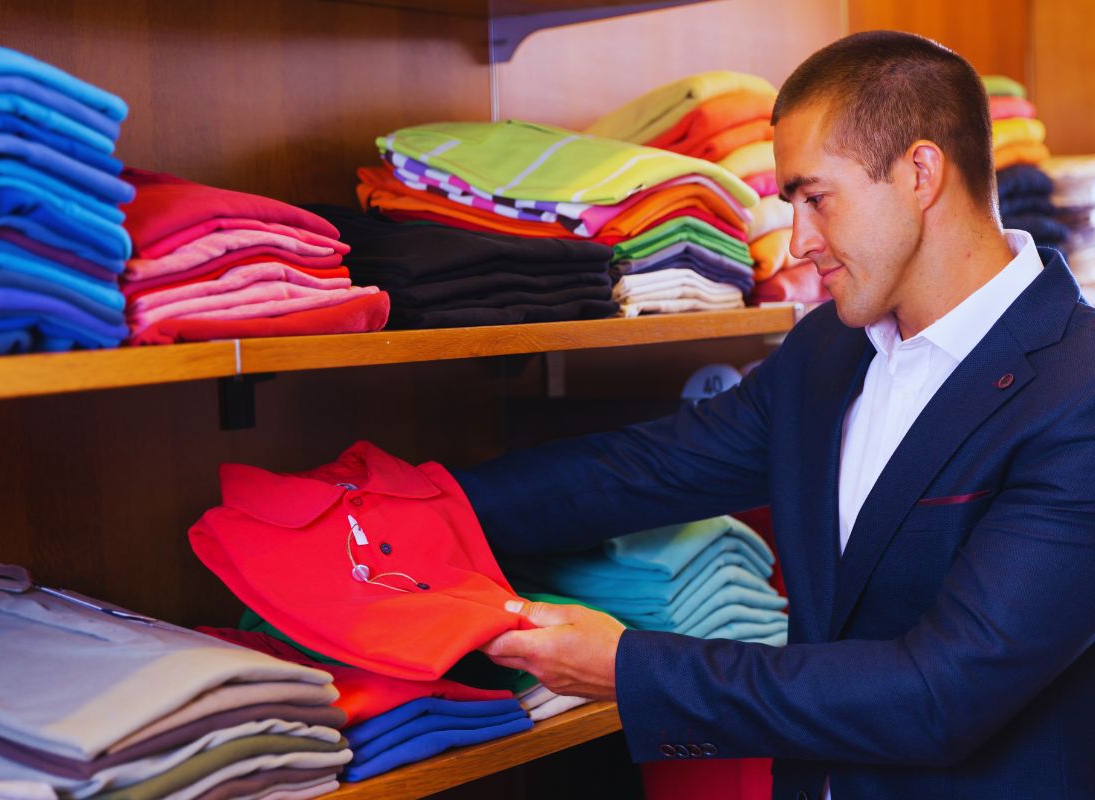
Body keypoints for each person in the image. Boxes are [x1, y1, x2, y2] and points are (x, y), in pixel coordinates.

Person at [454, 30, 1095, 800]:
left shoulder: (1076, 387)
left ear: (921, 171)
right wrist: (405, 508)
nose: (797, 242)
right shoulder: (828, 351)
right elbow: (641, 469)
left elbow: (940, 695)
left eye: (816, 197)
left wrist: (631, 668)